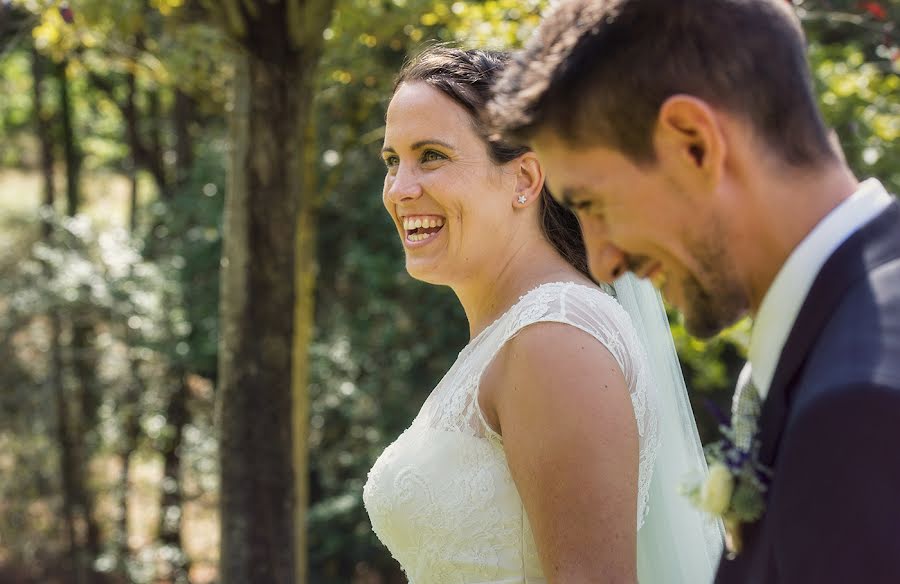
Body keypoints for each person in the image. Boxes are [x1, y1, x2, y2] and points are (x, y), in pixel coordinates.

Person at [488, 0, 900, 582]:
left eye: (593, 205)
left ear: (694, 144)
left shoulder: (857, 408)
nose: (604, 262)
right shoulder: (845, 337)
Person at [362, 47, 722, 583]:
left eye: (431, 155)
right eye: (393, 161)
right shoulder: (508, 337)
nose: (401, 189)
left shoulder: (555, 337)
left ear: (526, 179)